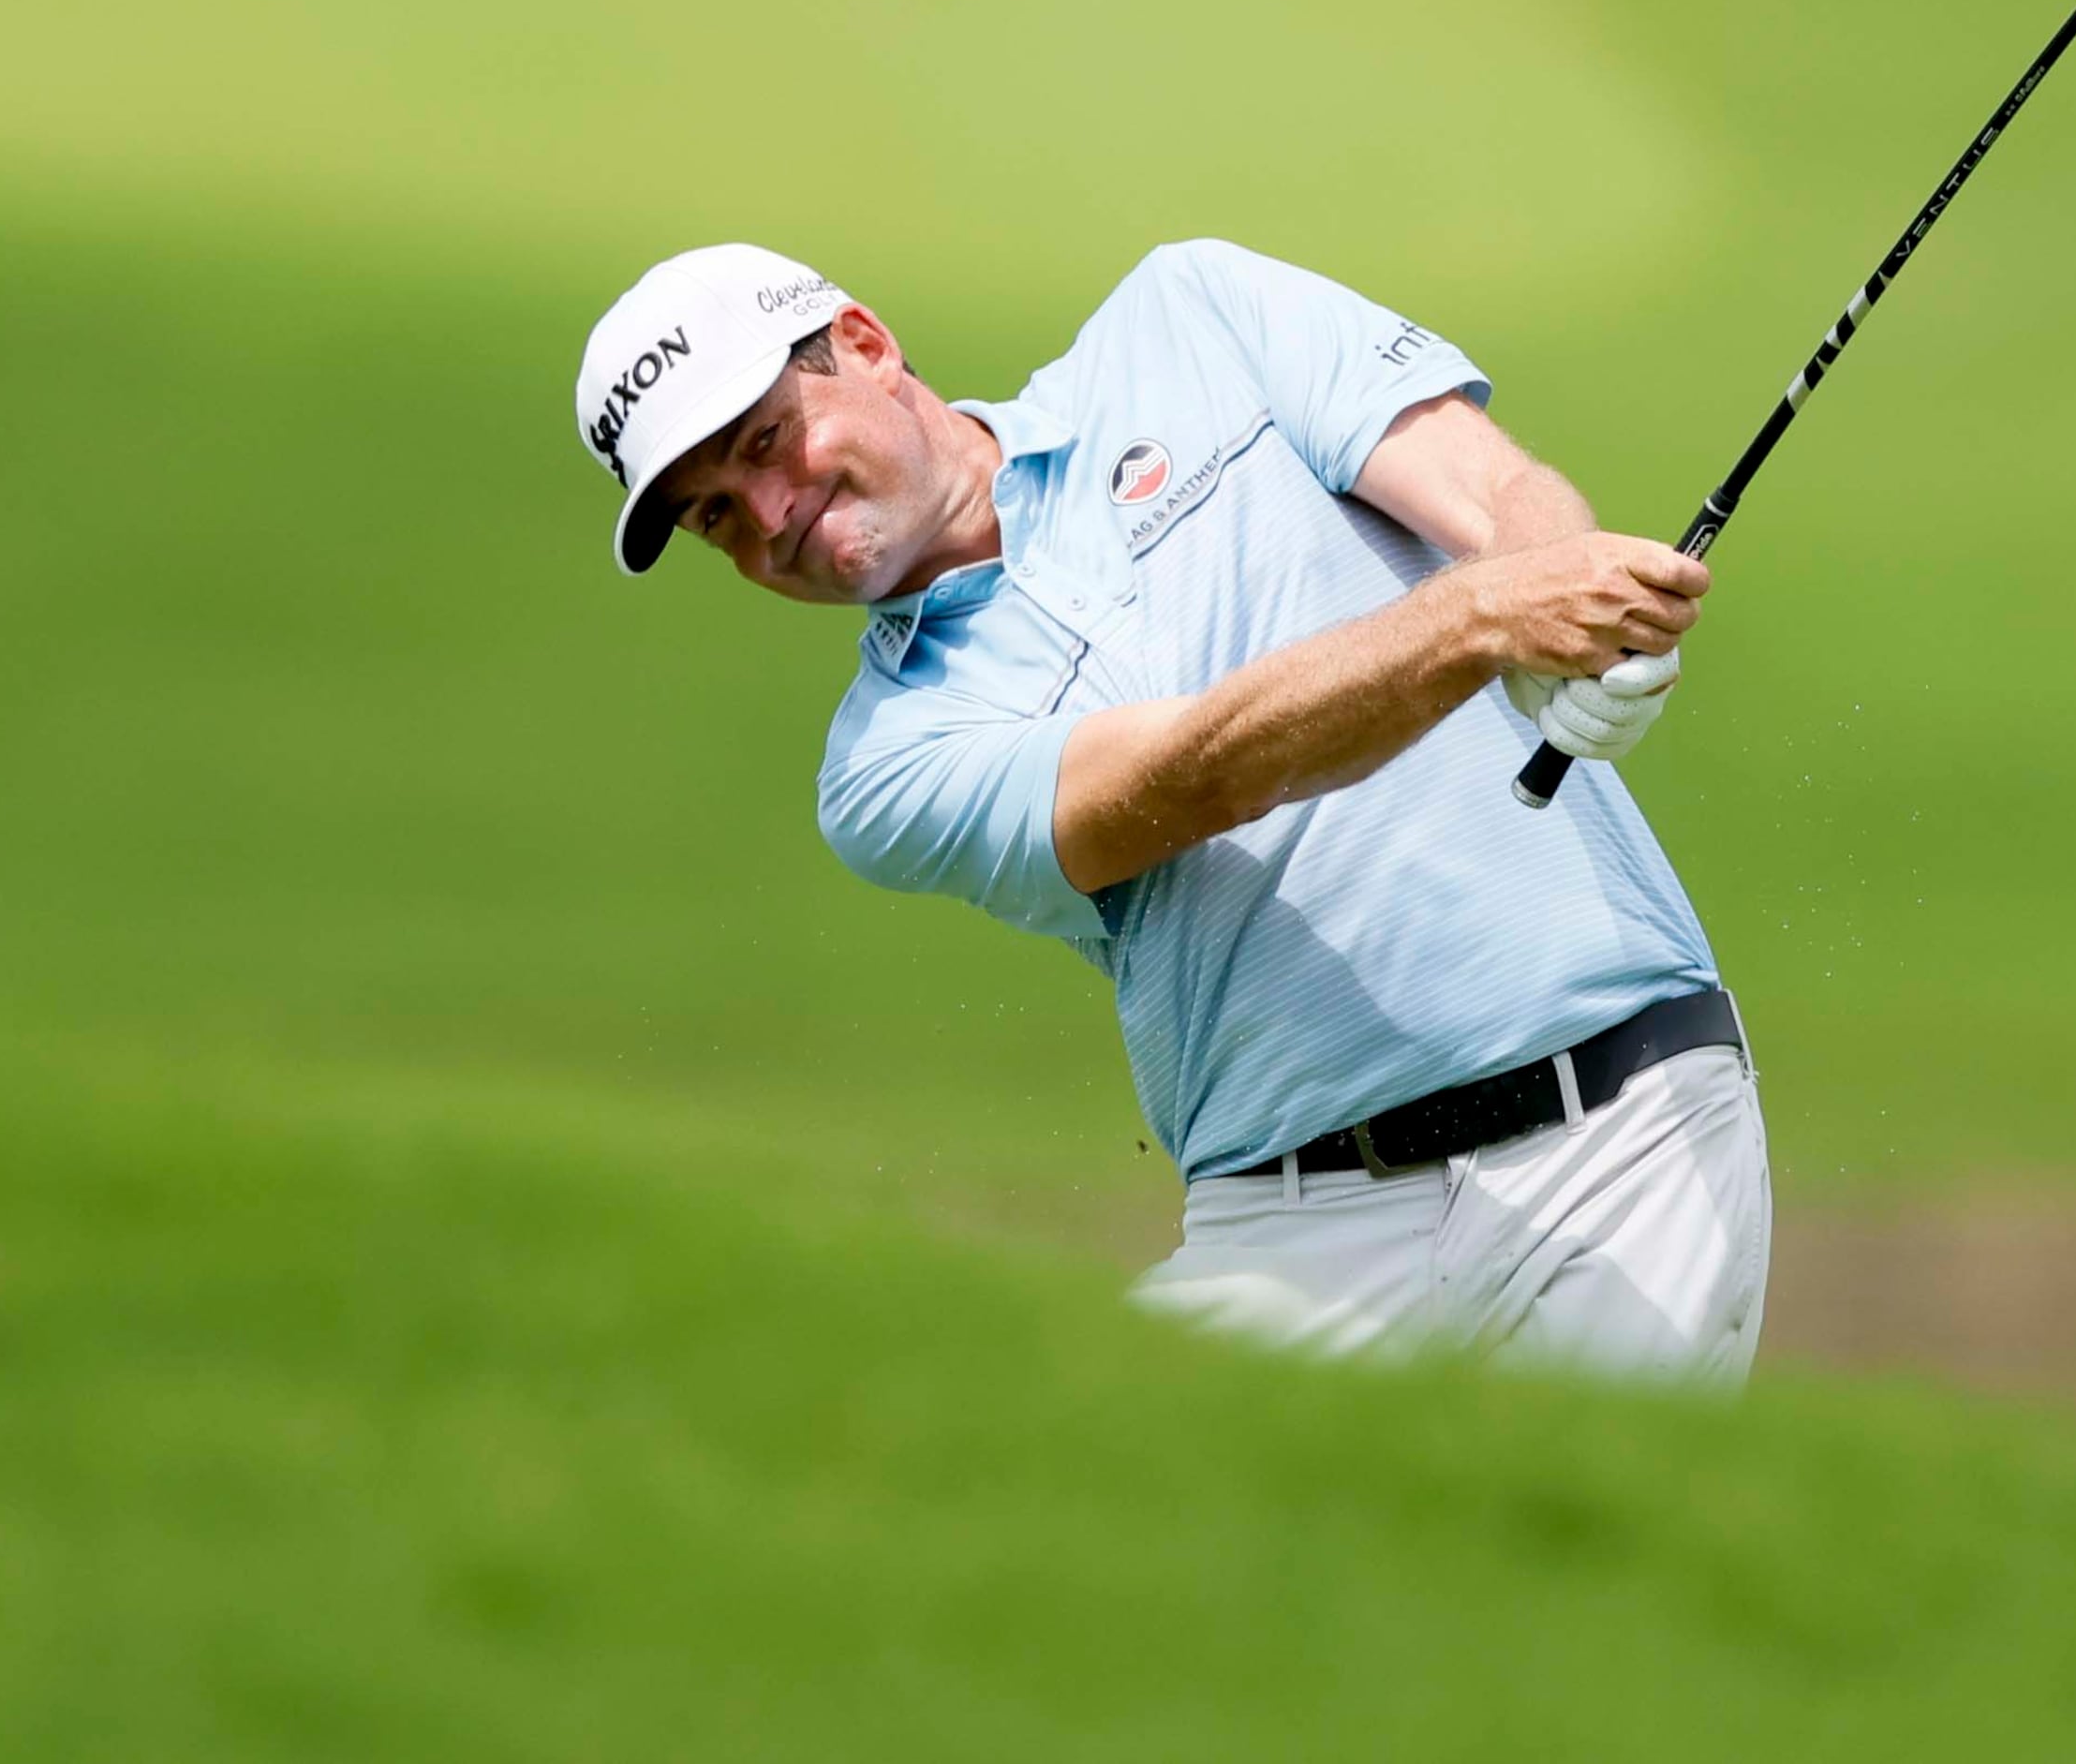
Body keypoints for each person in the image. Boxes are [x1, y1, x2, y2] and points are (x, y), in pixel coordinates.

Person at [572, 237, 1768, 1378]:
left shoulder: (1190, 317)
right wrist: (1483, 623)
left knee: (1564, 1564)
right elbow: (1198, 777)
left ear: (868, 345)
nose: (769, 515)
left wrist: (1564, 625)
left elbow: (1495, 493)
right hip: (1293, 1229)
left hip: (1624, 1123)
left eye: (767, 440)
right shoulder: (886, 762)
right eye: (714, 513)